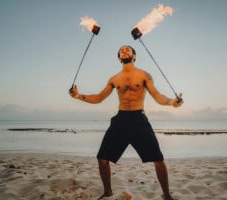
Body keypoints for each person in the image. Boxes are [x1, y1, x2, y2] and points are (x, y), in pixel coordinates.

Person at [69, 45, 183, 200]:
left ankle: (167, 195)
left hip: (139, 120)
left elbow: (157, 95)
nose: (124, 51)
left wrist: (172, 102)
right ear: (118, 58)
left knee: (158, 159)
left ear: (134, 56)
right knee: (102, 158)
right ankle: (108, 192)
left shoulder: (144, 75)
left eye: (128, 50)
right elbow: (99, 98)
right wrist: (78, 96)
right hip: (121, 119)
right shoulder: (114, 78)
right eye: (121, 50)